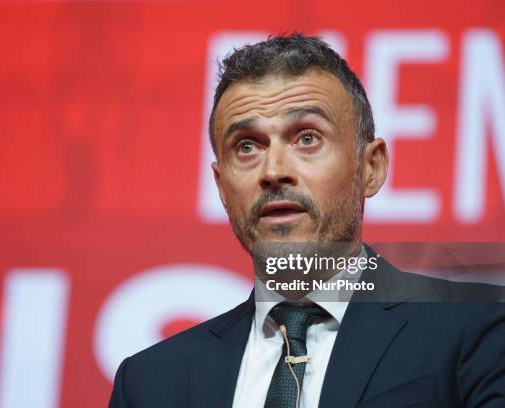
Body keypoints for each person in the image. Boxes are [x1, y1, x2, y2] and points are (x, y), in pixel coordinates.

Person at [109, 33, 505, 407]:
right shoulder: (150, 382)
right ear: (220, 184)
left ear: (371, 167)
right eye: (246, 146)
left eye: (307, 138)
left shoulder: (477, 329)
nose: (274, 170)